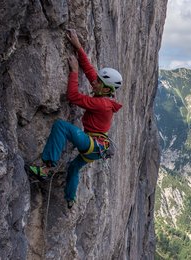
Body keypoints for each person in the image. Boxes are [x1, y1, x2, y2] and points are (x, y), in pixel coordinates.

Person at [27, 29, 123, 209]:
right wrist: (78, 46)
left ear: (106, 89)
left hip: (93, 143)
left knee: (61, 126)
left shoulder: (102, 103)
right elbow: (90, 71)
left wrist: (73, 72)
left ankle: (47, 169)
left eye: (99, 83)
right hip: (97, 147)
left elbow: (73, 96)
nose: (94, 83)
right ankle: (70, 199)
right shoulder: (104, 93)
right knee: (73, 168)